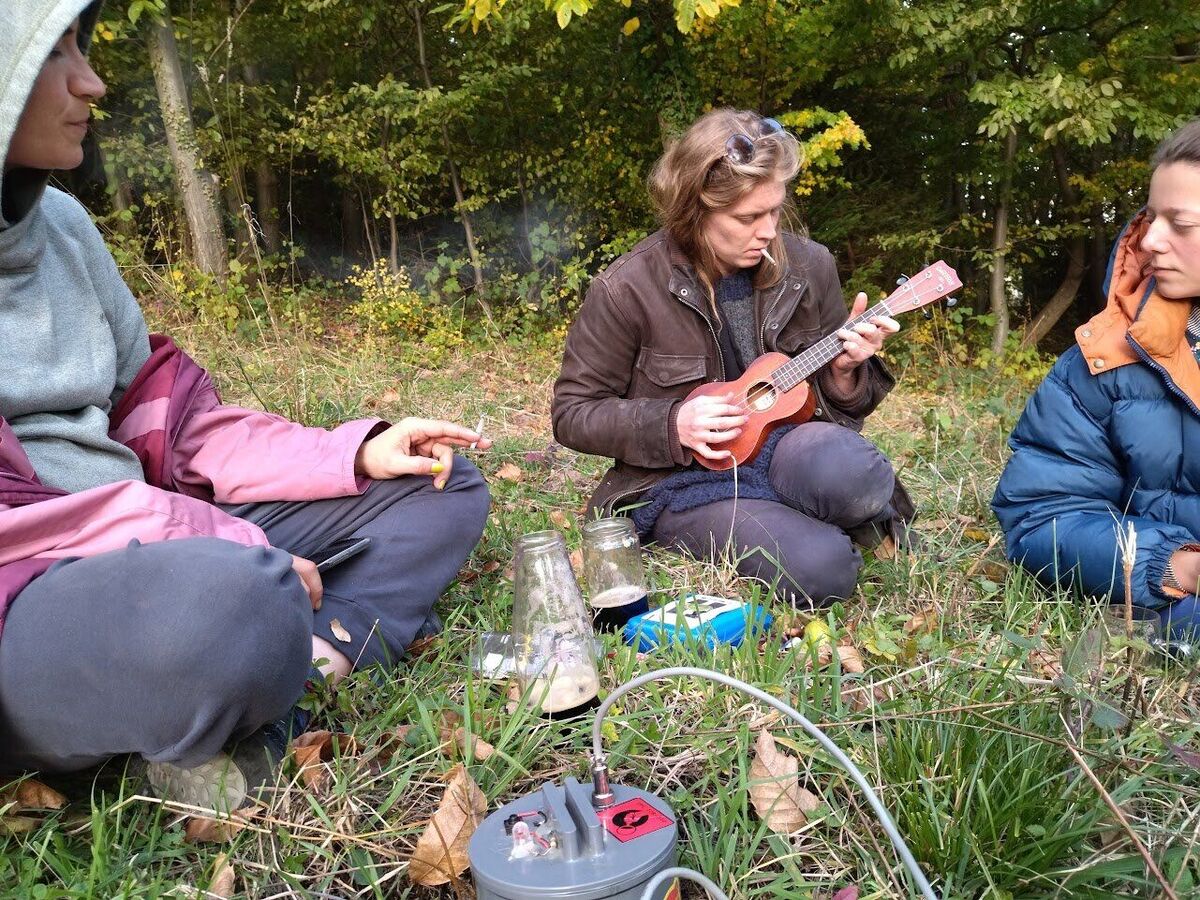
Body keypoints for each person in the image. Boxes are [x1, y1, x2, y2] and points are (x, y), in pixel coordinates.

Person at [0, 1, 491, 808]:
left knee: (441, 484)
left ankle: (298, 670)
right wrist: (218, 544)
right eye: (53, 55)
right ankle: (239, 667)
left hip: (160, 544)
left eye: (81, 48)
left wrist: (353, 453)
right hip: (32, 593)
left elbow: (167, 422)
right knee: (231, 602)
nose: (91, 82)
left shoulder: (64, 226)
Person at [552, 109, 912, 606]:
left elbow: (840, 409)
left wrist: (845, 371)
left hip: (786, 447)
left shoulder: (810, 266)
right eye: (747, 218)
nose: (767, 231)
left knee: (858, 474)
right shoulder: (626, 289)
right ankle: (797, 526)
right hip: (683, 480)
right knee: (822, 570)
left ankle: (806, 509)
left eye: (775, 211)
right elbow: (572, 413)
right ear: (694, 210)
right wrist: (672, 424)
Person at [993, 119, 1200, 639]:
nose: (1151, 240)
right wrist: (1177, 565)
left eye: (1181, 224)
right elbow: (1043, 516)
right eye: (1151, 218)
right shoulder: (1104, 362)